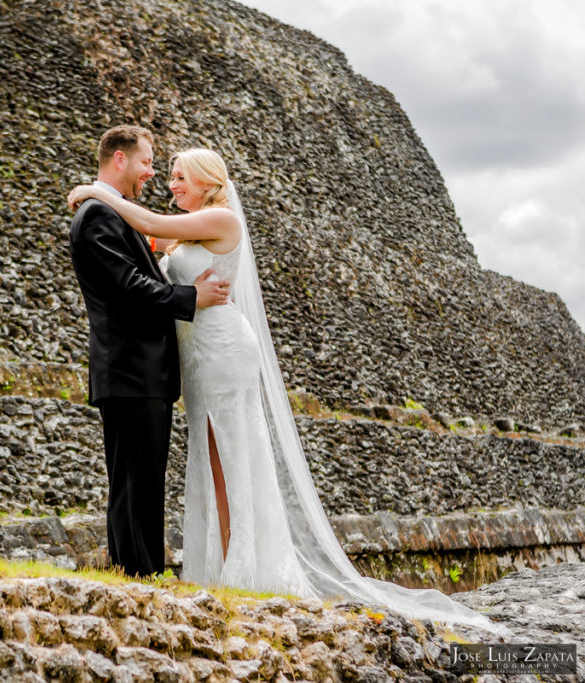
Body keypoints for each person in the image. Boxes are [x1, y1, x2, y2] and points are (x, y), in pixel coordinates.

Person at [68, 147, 501, 631]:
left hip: (223, 353)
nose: (170, 183)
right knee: (209, 461)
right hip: (196, 358)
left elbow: (148, 221)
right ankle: (222, 563)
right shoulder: (193, 231)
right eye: (166, 174)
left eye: (179, 176)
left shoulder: (222, 219)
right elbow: (150, 249)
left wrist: (95, 193)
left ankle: (240, 566)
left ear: (208, 180)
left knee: (231, 455)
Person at [68, 126, 231, 578]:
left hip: (137, 371)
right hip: (130, 369)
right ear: (119, 160)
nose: (152, 173)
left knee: (137, 481)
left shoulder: (110, 213)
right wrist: (189, 297)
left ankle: (133, 573)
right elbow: (128, 288)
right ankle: (139, 575)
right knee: (135, 482)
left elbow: (155, 239)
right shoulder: (98, 215)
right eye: (147, 162)